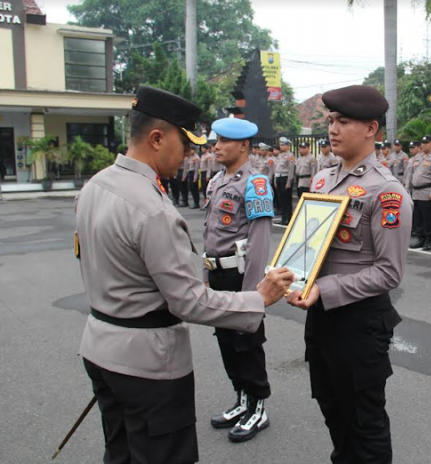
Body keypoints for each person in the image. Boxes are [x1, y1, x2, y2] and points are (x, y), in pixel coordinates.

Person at [75, 86, 293, 464]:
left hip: (100, 346)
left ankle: (253, 403)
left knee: (122, 452)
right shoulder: (151, 207)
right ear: (157, 138)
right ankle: (244, 399)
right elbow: (187, 301)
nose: (193, 154)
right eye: (186, 143)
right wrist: (258, 298)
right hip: (146, 361)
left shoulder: (94, 187)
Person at [287, 84, 412, 464]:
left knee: (364, 421)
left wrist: (323, 288)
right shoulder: (323, 180)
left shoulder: (387, 192)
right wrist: (292, 275)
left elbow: (389, 273)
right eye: (331, 121)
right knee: (333, 410)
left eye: (344, 121)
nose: (333, 129)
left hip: (360, 324)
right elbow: (308, 244)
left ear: (372, 129)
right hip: (321, 318)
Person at [203, 117, 275, 443]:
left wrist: (255, 294)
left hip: (241, 275)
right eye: (215, 140)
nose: (215, 146)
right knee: (226, 341)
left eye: (223, 141)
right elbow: (210, 233)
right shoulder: (217, 181)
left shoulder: (255, 184)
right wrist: (205, 275)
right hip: (218, 273)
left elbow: (260, 241)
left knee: (246, 343)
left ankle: (258, 407)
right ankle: (241, 399)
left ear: (243, 145)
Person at [406, 135, 431, 251]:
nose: (423, 145)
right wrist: (408, 189)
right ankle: (420, 238)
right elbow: (410, 174)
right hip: (415, 192)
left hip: (427, 193)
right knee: (418, 218)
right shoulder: (418, 157)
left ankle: (428, 240)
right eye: (422, 143)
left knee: (428, 218)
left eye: (426, 143)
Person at [274, 137, 295, 225]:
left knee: (286, 200)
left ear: (288, 146)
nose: (281, 146)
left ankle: (288, 218)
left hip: (285, 178)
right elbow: (276, 169)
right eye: (281, 145)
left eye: (283, 145)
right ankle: (283, 217)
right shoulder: (279, 155)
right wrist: (275, 180)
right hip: (279, 178)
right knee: (281, 199)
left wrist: (289, 182)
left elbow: (291, 170)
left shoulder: (290, 156)